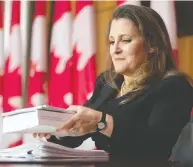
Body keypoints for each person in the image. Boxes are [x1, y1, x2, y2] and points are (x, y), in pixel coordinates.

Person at [33, 4, 193, 161]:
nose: (115, 50)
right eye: (111, 41)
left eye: (125, 40)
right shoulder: (107, 82)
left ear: (151, 45)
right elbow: (78, 132)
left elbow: (154, 148)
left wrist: (102, 122)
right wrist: (55, 131)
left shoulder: (174, 86)